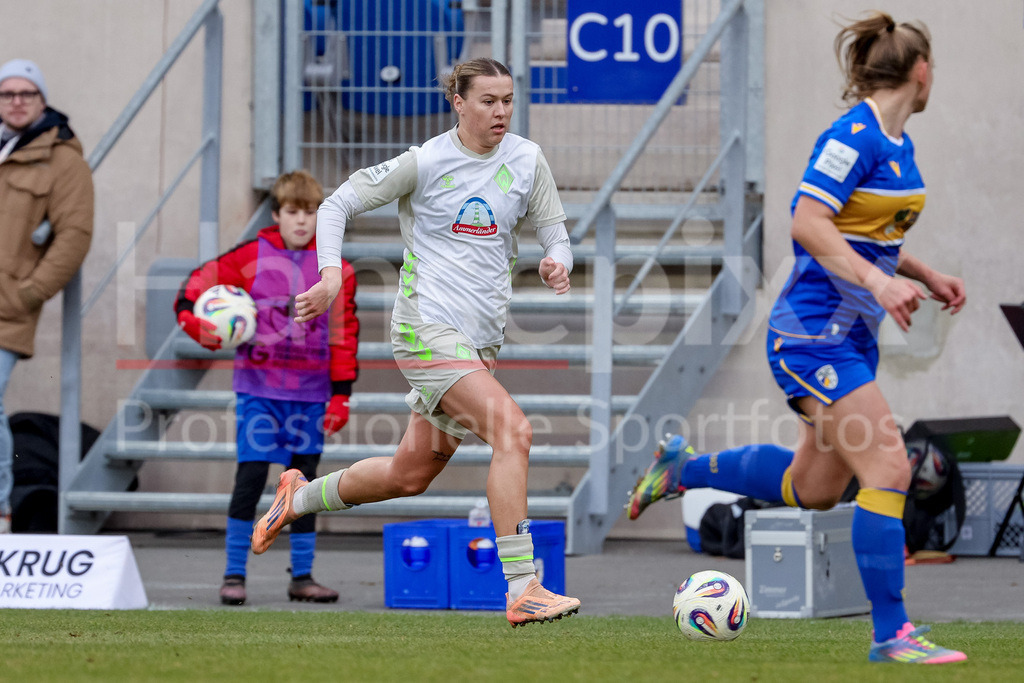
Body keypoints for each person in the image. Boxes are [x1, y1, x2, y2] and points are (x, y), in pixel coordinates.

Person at [627, 12, 968, 664]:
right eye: (934, 69)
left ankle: (682, 468)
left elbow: (873, 233)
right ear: (920, 72)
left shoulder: (898, 144)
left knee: (811, 487)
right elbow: (808, 223)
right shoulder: (851, 136)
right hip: (812, 334)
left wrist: (922, 273)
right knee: (889, 466)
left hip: (851, 335)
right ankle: (892, 633)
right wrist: (879, 280)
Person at [249, 57, 580, 627]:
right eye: (487, 100)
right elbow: (338, 204)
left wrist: (558, 261)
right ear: (459, 102)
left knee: (411, 473)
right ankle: (523, 587)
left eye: (507, 100)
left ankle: (296, 498)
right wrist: (329, 276)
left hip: (479, 345)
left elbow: (556, 231)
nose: (500, 111)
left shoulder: (527, 159)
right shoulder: (426, 161)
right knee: (514, 432)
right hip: (425, 330)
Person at [174, 170, 359, 605]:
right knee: (251, 478)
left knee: (306, 488)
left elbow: (345, 334)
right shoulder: (249, 256)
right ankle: (234, 574)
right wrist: (193, 322)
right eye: (292, 211)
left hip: (311, 397)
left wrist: (341, 393)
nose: (301, 221)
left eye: (311, 212)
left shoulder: (337, 270)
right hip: (258, 393)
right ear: (276, 214)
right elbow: (194, 286)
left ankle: (303, 577)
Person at [0, 59, 93, 534]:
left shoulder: (63, 159)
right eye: (7, 93)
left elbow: (74, 236)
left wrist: (27, 294)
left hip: (5, 308)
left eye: (25, 93)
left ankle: (0, 511)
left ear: (41, 100)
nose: (15, 101)